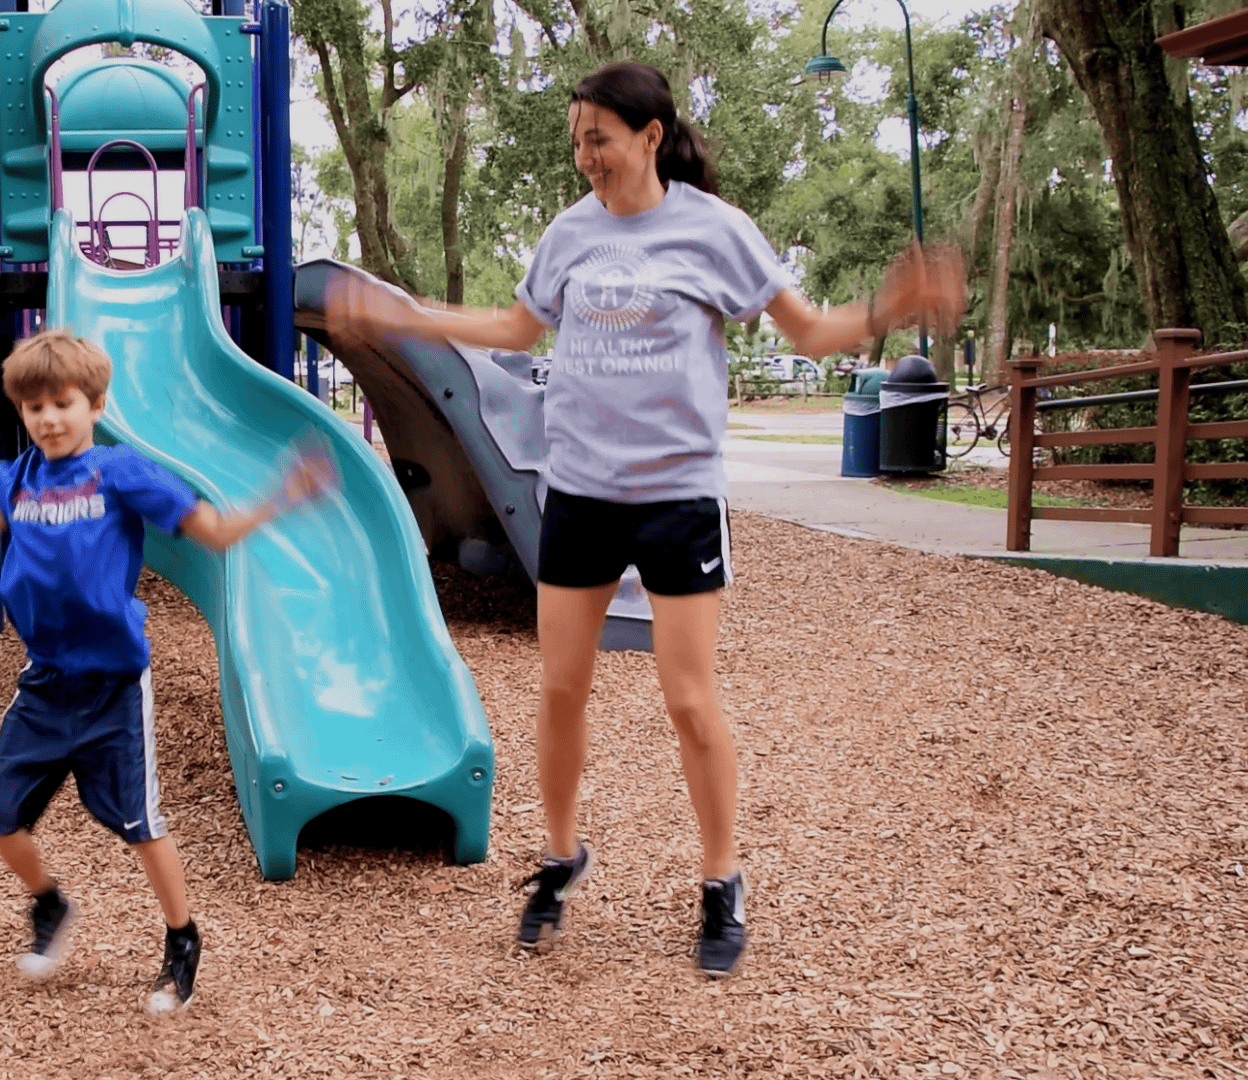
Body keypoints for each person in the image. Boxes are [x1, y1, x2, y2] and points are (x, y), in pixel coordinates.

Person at [325, 62, 964, 977]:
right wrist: (404, 314)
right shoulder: (571, 234)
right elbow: (515, 331)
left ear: (651, 136)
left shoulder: (713, 230)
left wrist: (887, 308)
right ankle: (558, 857)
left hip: (676, 496)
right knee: (558, 690)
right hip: (579, 490)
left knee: (689, 698)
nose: (586, 156)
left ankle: (721, 880)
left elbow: (808, 332)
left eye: (601, 138)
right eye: (578, 140)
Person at [0, 329, 335, 1015]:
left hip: (114, 685)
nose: (49, 418)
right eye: (35, 408)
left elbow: (214, 532)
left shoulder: (120, 474)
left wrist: (281, 496)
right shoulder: (17, 478)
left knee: (140, 824)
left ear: (96, 404)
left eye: (63, 403)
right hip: (46, 683)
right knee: (1, 821)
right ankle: (51, 905)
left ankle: (181, 939)